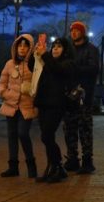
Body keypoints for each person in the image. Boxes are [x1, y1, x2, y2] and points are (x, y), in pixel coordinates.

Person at [33, 36, 76, 183]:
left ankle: (57, 166)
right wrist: (36, 54)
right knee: (47, 137)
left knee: (46, 135)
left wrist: (45, 55)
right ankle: (54, 167)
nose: (55, 48)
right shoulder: (47, 62)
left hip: (57, 105)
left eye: (59, 46)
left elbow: (58, 70)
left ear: (65, 50)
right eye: (54, 46)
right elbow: (36, 70)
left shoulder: (68, 64)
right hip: (44, 103)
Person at [0, 34, 38, 178]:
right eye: (19, 45)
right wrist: (5, 93)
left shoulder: (34, 64)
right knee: (12, 136)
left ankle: (31, 165)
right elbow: (2, 83)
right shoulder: (9, 64)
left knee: (23, 133)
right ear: (15, 47)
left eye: (25, 45)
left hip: (27, 106)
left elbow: (38, 85)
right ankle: (13, 167)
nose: (22, 48)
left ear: (30, 47)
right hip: (11, 105)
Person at [62, 21, 99, 174]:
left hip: (84, 96)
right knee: (69, 128)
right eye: (72, 30)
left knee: (85, 129)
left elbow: (93, 68)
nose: (74, 33)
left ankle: (87, 160)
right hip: (68, 97)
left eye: (77, 30)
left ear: (82, 32)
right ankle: (72, 158)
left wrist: (75, 69)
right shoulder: (68, 50)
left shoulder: (91, 50)